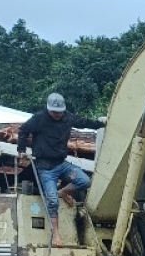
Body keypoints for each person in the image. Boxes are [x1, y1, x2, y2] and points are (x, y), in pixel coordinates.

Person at [16, 93, 104, 246]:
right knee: (52, 200)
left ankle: (63, 191)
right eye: (54, 112)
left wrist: (101, 124)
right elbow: (23, 130)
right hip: (45, 167)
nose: (57, 115)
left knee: (85, 181)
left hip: (61, 164)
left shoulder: (67, 117)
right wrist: (21, 150)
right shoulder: (39, 119)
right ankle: (56, 234)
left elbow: (83, 122)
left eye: (59, 112)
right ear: (48, 109)